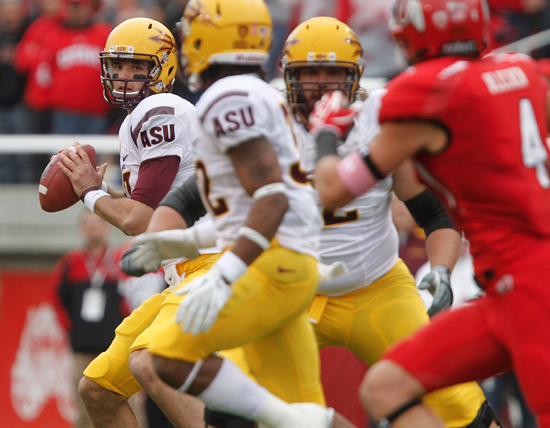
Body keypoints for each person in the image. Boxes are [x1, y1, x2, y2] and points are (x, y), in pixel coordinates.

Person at [310, 0, 550, 426]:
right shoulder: (521, 69)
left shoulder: (425, 91)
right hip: (503, 285)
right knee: (386, 386)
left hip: (528, 284)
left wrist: (326, 132)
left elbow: (330, 190)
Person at [128, 1, 352, 427]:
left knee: (170, 358)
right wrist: (188, 240)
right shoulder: (258, 93)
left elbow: (271, 198)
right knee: (310, 414)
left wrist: (225, 274)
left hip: (272, 263)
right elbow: (259, 199)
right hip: (291, 260)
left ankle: (283, 420)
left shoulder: (226, 98)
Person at [280, 16, 499, 428]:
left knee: (461, 406)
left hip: (376, 288)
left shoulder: (378, 123)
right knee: (245, 405)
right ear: (290, 75)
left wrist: (440, 270)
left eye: (334, 72)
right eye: (310, 72)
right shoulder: (267, 126)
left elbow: (434, 215)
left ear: (355, 77)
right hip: (289, 293)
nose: (322, 83)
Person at [58, 17, 209, 428]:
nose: (124, 77)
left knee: (150, 365)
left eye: (137, 68)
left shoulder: (161, 110)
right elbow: (151, 207)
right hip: (183, 272)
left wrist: (91, 192)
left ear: (163, 70)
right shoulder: (143, 116)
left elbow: (140, 221)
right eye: (117, 67)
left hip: (213, 266)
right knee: (98, 390)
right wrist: (105, 195)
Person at [50, 209, 132, 428]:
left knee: (124, 402)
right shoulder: (70, 262)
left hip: (116, 348)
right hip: (81, 349)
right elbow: (57, 300)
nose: (92, 227)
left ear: (107, 227)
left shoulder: (120, 260)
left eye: (97, 222)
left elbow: (131, 299)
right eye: (87, 223)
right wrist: (72, 330)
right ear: (80, 228)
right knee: (82, 406)